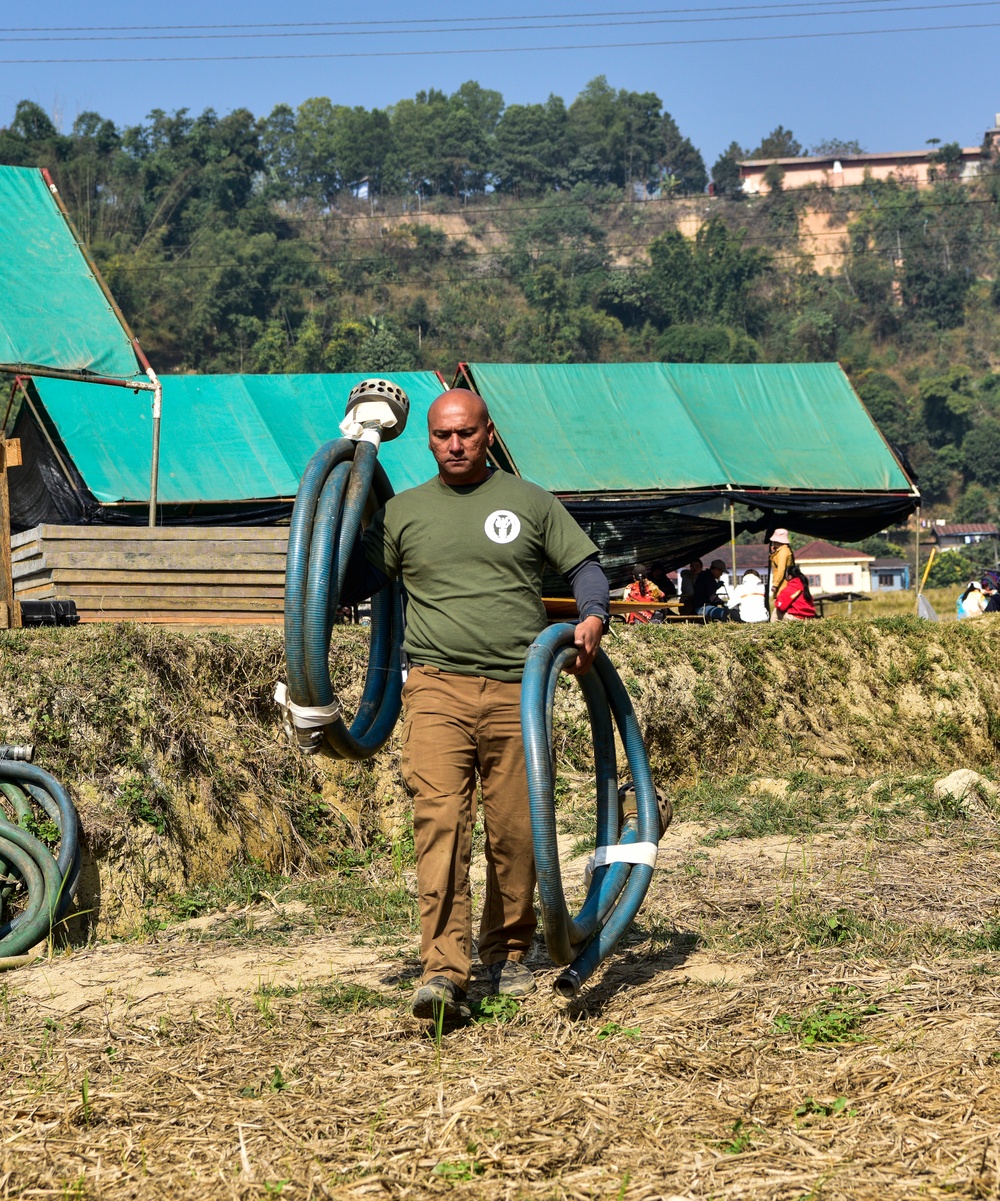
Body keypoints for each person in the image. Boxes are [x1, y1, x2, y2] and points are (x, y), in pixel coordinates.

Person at [346, 389, 610, 1024]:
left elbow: (586, 569)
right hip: (436, 689)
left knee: (517, 830)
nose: (454, 445)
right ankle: (443, 970)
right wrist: (344, 513)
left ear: (489, 433)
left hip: (519, 689)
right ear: (429, 440)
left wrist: (593, 617)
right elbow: (354, 584)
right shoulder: (404, 514)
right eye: (442, 435)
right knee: (441, 823)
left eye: (466, 433)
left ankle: (507, 951)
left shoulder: (529, 502)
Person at [767, 530, 795, 623]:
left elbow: (781, 569)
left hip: (783, 584)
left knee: (781, 606)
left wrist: (775, 584)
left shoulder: (783, 552)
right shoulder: (780, 551)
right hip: (782, 584)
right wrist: (773, 553)